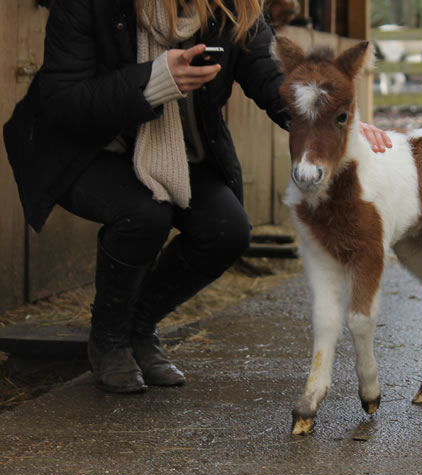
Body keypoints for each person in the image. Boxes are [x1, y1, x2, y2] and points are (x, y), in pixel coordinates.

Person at [3, 0, 391, 394]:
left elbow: (270, 75)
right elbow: (61, 101)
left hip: (179, 151)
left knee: (228, 232)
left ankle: (138, 327)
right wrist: (153, 81)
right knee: (145, 215)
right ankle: (108, 339)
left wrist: (337, 123)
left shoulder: (234, 7)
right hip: (84, 148)